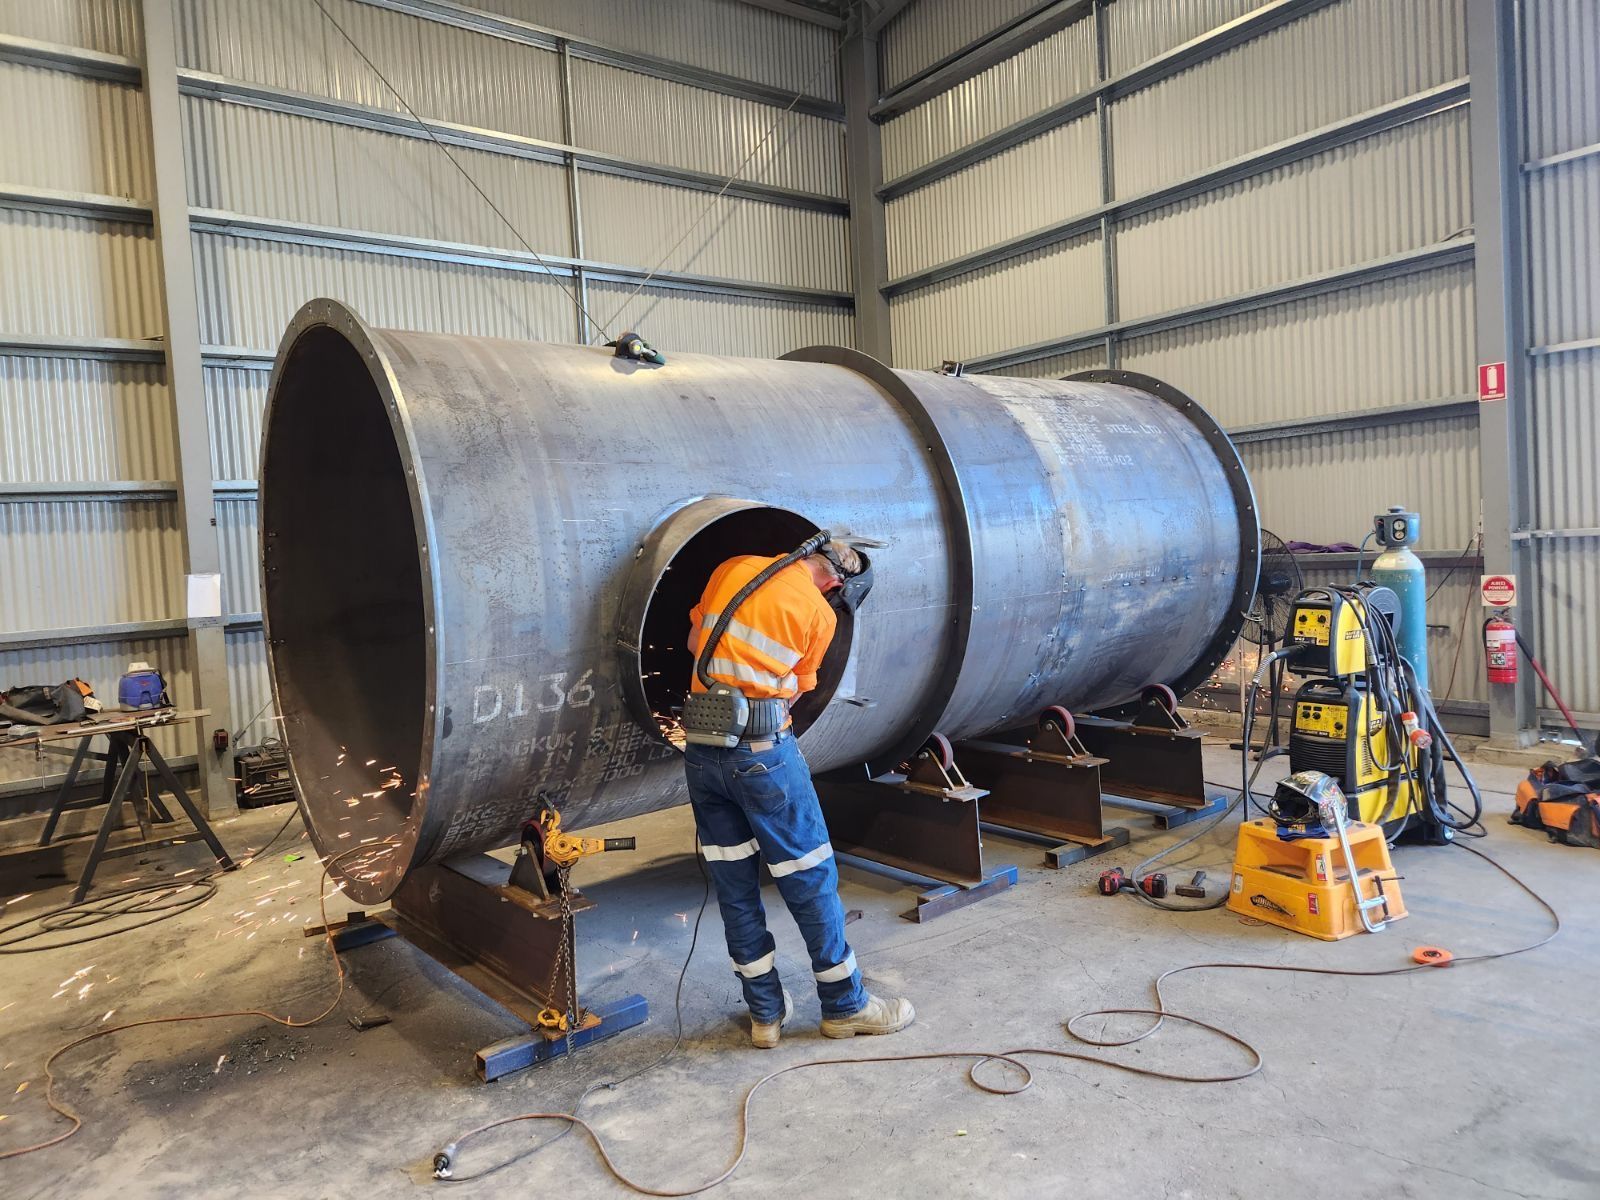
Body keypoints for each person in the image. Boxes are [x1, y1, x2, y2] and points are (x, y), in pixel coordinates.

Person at [683, 539, 915, 1048]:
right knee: (810, 878)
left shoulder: (734, 564)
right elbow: (797, 688)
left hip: (701, 751)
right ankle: (845, 1006)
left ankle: (764, 1014)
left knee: (734, 885)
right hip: (763, 754)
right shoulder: (818, 613)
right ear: (835, 583)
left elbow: (694, 641)